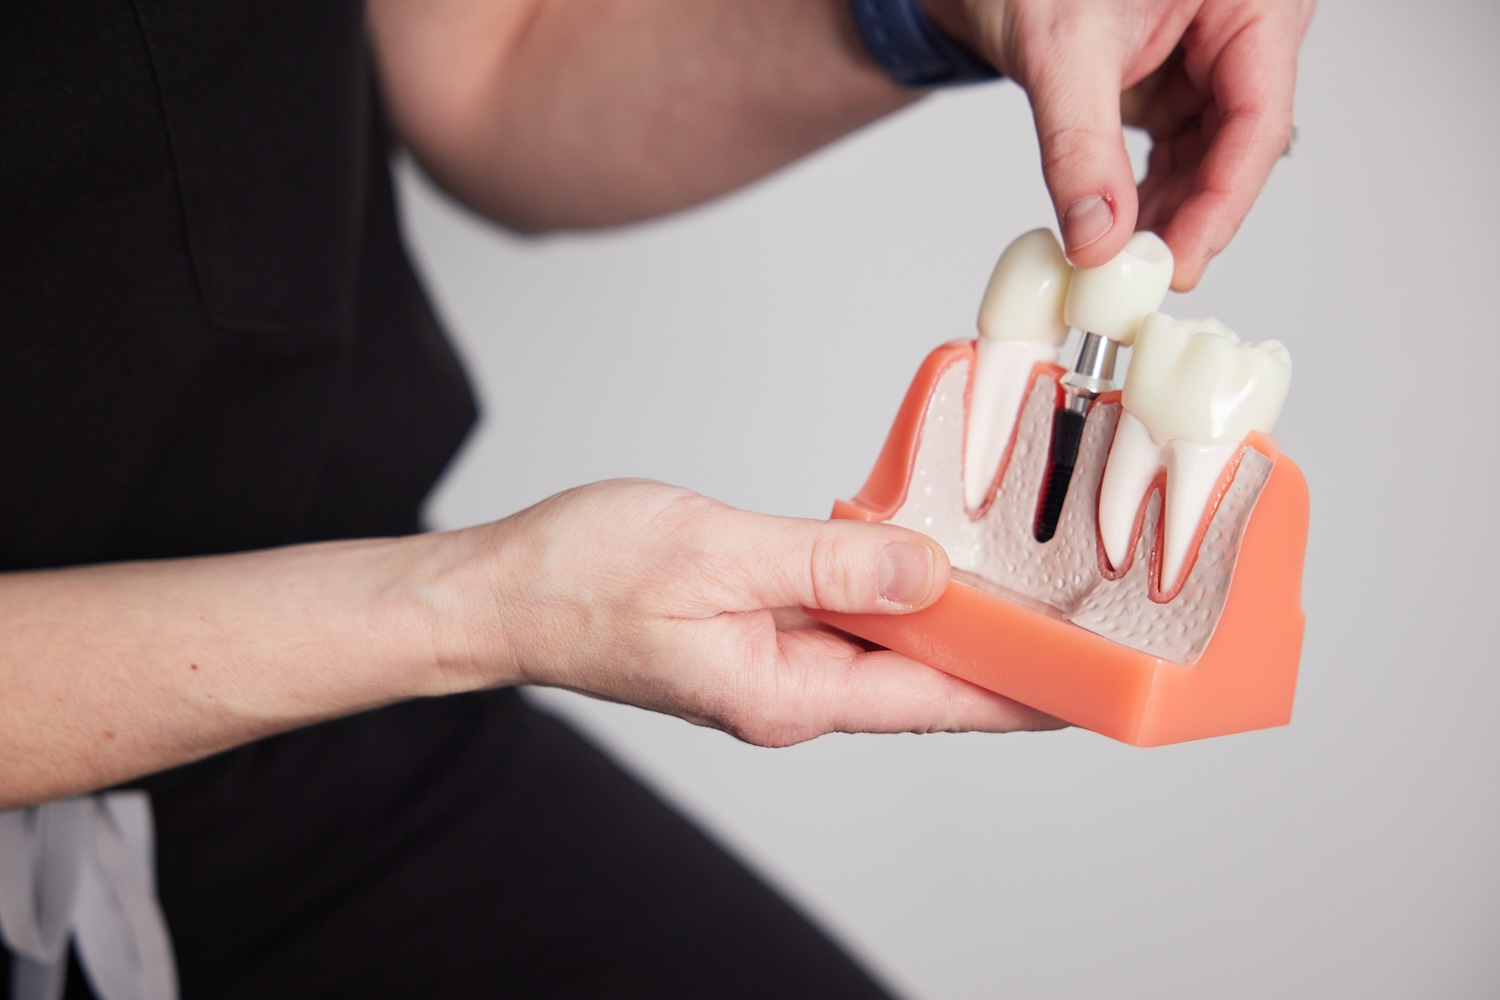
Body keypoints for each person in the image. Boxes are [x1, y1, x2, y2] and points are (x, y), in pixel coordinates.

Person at [0, 1, 1313, 996]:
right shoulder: (450, 614)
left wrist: (929, 13)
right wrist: (477, 611)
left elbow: (484, 71)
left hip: (312, 734)